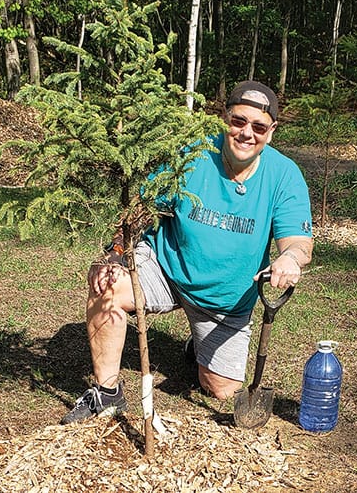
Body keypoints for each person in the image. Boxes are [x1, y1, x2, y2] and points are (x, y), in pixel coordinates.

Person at [60, 80, 314, 424]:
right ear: (224, 118)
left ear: (271, 131)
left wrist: (289, 258)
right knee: (109, 283)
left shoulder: (284, 175)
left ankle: (198, 347)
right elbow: (141, 209)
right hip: (166, 268)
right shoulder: (193, 155)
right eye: (238, 121)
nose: (246, 133)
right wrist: (114, 253)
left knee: (221, 389)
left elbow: (298, 242)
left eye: (258, 126)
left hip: (225, 300)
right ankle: (106, 394)